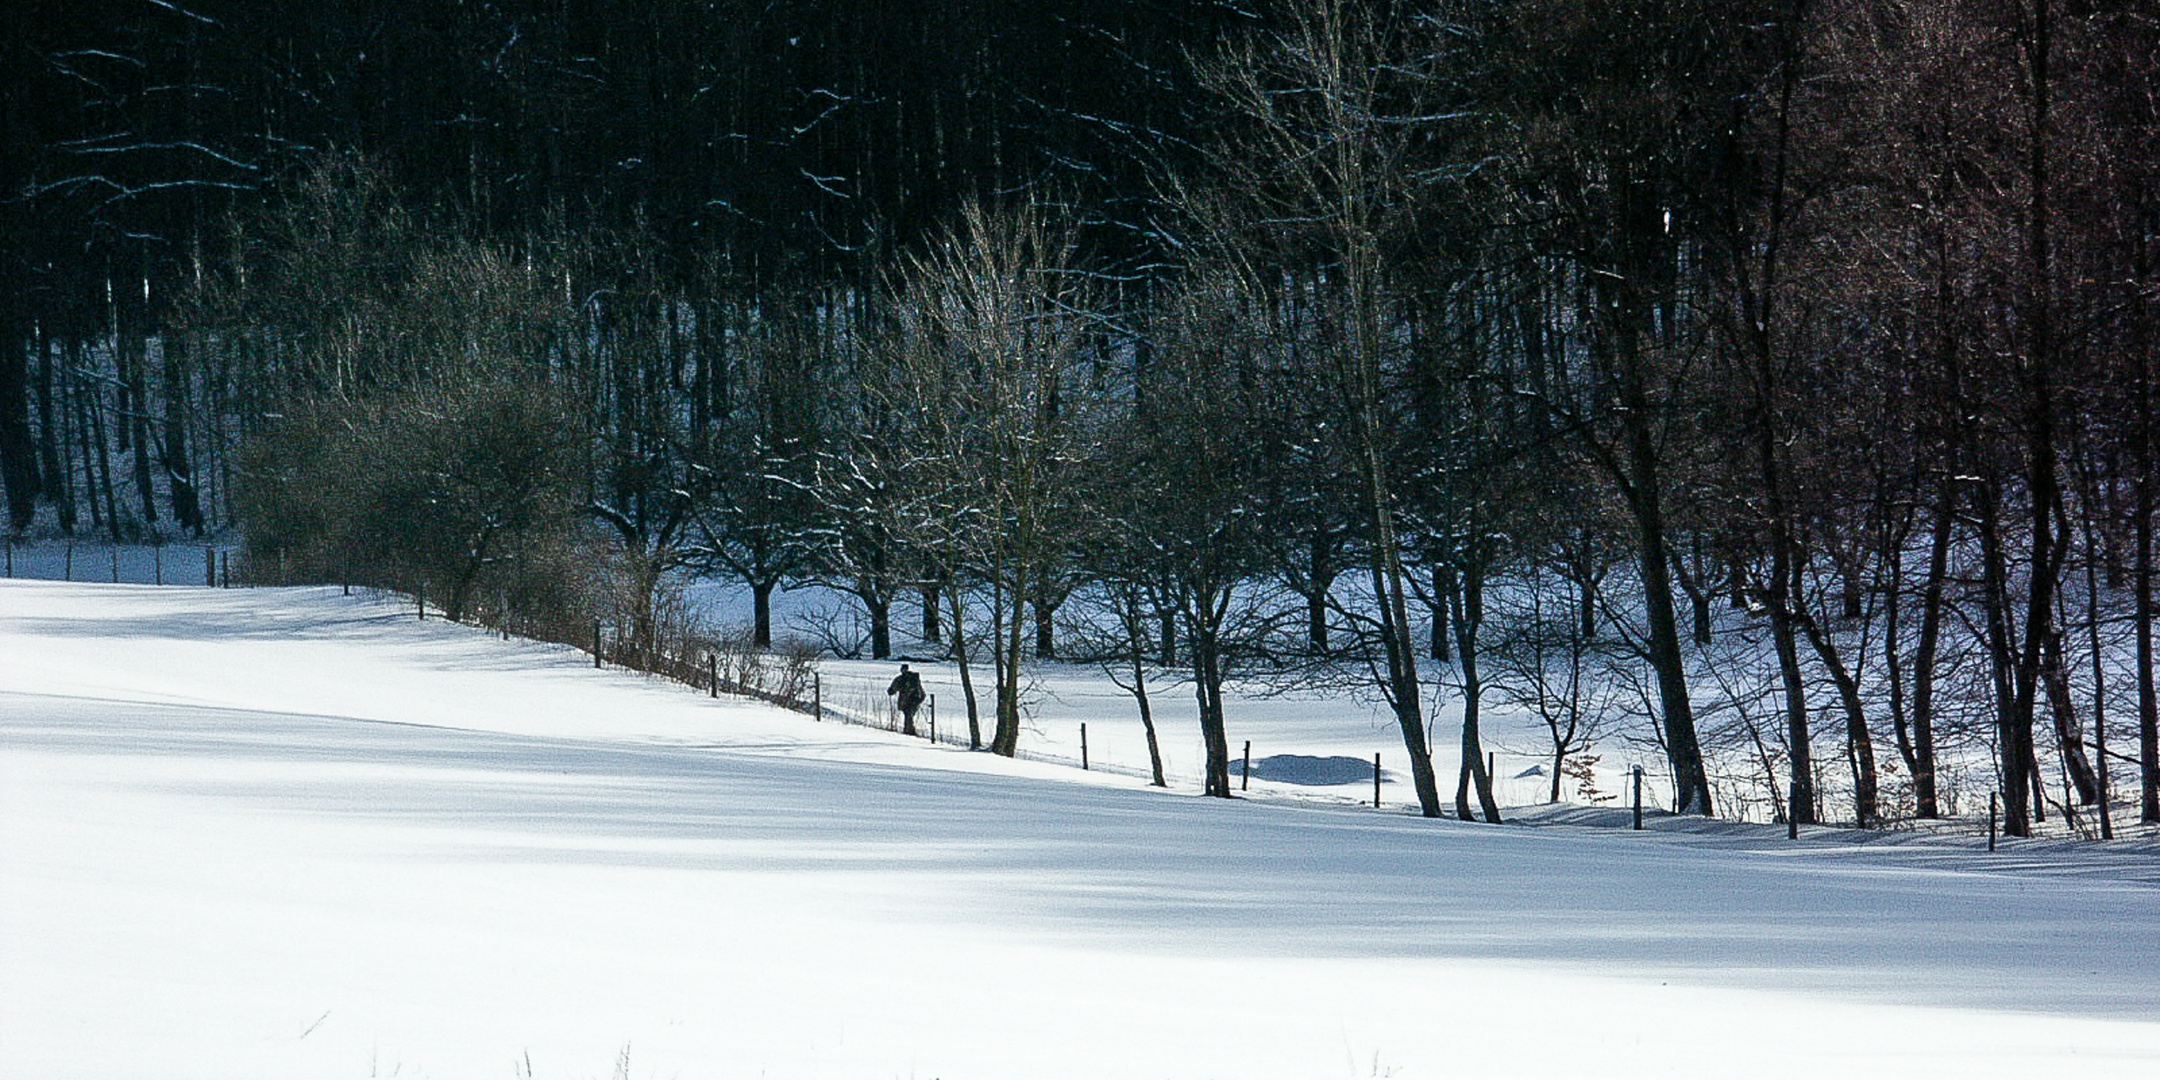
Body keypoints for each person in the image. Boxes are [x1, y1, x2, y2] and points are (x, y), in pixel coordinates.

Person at [886, 663, 926, 736]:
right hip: (916, 699)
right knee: (909, 715)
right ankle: (909, 731)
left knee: (908, 715)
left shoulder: (901, 679)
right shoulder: (914, 678)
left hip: (908, 700)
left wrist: (891, 690)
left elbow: (892, 690)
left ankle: (909, 732)